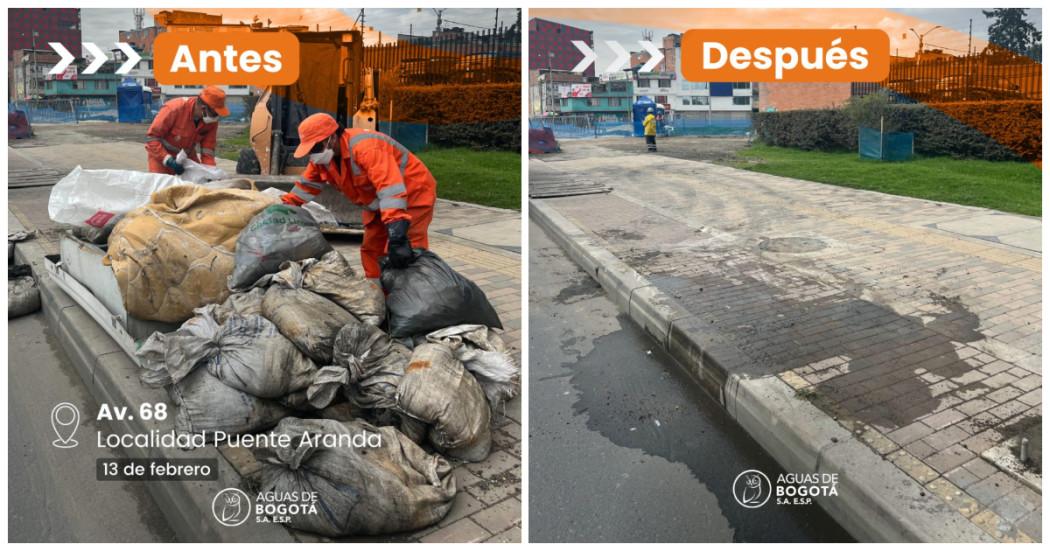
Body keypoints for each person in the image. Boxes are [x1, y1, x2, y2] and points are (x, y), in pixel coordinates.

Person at [280, 113, 437, 279]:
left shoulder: (367, 148)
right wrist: (281, 209)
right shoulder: (323, 160)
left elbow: (390, 189)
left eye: (315, 148)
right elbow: (305, 186)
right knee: (372, 250)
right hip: (378, 202)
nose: (313, 154)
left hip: (412, 195)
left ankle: (409, 297)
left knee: (403, 252)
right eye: (310, 150)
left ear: (332, 138)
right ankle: (377, 292)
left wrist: (397, 234)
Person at [145, 85, 229, 175]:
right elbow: (152, 138)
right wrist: (168, 160)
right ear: (203, 108)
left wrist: (210, 171)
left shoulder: (210, 120)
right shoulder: (174, 109)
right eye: (215, 113)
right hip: (161, 156)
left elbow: (208, 149)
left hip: (187, 157)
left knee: (197, 183)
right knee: (162, 186)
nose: (216, 117)